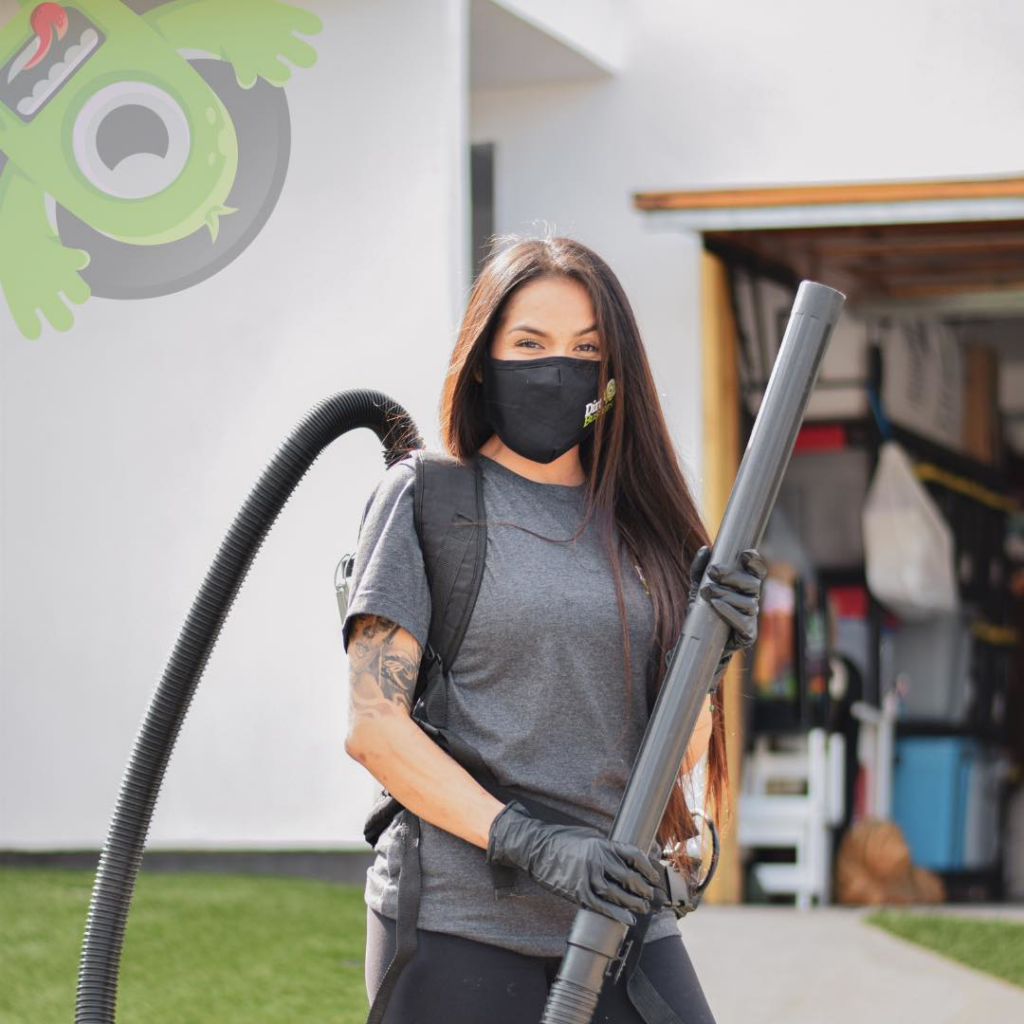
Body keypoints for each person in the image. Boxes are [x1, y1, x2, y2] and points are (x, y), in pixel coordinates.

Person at [342, 235, 766, 1023]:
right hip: (458, 920)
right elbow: (375, 730)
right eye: (530, 344)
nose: (557, 368)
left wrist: (708, 659)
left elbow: (675, 757)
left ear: (609, 381)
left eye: (584, 351)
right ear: (482, 360)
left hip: (619, 910)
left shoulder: (647, 528)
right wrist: (534, 844)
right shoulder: (428, 501)